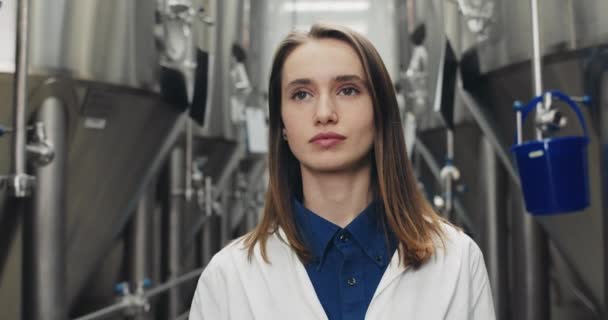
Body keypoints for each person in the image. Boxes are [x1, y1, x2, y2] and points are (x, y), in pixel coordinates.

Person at [189, 23, 495, 320]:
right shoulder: (229, 278)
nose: (324, 114)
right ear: (281, 124)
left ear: (381, 111)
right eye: (301, 94)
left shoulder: (457, 261)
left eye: (347, 90)